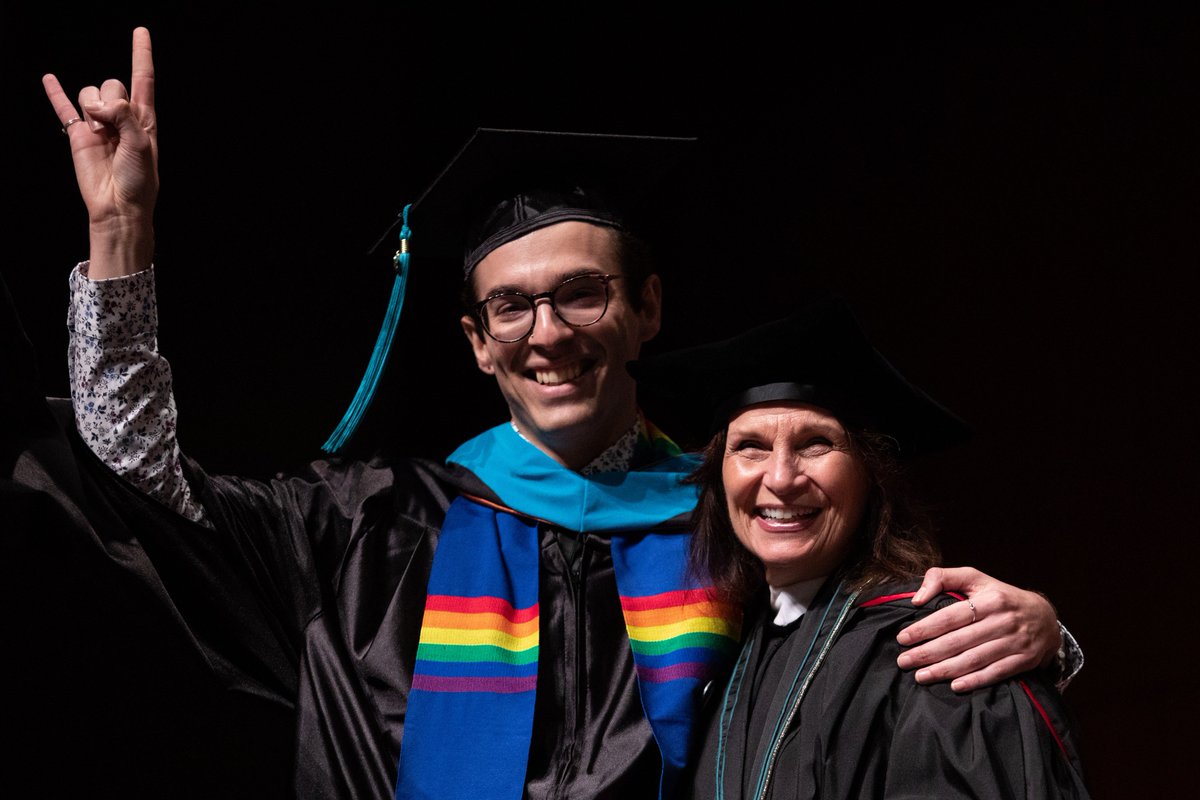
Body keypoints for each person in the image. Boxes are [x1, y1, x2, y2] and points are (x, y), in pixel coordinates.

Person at [34, 26, 1078, 800]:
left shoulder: (733, 522)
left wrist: (1044, 636)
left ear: (645, 310)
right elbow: (140, 481)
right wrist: (121, 229)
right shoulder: (372, 528)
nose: (547, 330)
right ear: (477, 343)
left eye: (582, 292)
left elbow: (875, 675)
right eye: (510, 306)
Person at [628, 297, 1092, 798]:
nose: (781, 479)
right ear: (718, 478)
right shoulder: (720, 653)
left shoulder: (942, 644)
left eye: (816, 444)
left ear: (871, 475)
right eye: (751, 447)